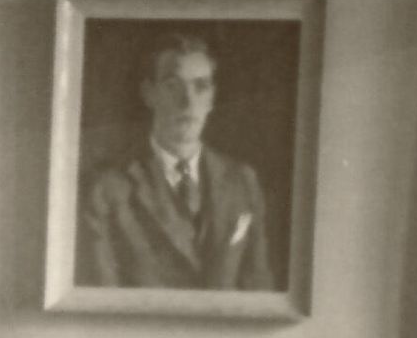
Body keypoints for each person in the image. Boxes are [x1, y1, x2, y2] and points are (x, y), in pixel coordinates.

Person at [77, 32, 276, 291]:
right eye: (173, 86)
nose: (188, 102)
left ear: (212, 98)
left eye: (200, 86)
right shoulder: (107, 187)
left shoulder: (242, 181)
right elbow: (100, 299)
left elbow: (259, 289)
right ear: (149, 94)